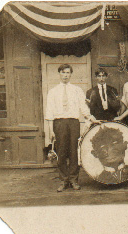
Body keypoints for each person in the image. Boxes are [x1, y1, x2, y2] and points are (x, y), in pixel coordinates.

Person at [45, 64, 97, 192]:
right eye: (63, 73)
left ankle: (74, 180)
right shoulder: (53, 92)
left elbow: (83, 108)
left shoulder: (77, 90)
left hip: (73, 122)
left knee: (74, 152)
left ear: (71, 74)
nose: (65, 75)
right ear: (59, 74)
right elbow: (50, 112)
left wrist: (91, 117)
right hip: (59, 123)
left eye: (68, 73)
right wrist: (51, 130)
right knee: (61, 152)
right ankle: (63, 180)